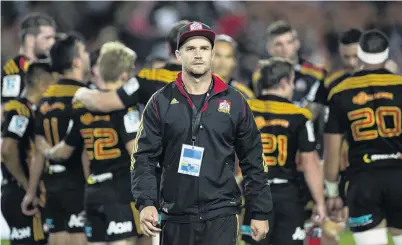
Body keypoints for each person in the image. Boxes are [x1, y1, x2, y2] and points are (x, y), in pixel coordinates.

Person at [131, 21, 271, 245]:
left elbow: (253, 159)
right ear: (178, 55)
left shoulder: (235, 101)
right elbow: (144, 157)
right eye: (191, 49)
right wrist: (146, 202)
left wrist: (260, 210)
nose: (198, 55)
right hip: (175, 214)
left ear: (212, 54)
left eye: (204, 49)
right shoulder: (160, 101)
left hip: (221, 213)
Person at [43, 41, 141, 245]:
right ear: (124, 74)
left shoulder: (82, 107)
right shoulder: (126, 108)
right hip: (120, 193)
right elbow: (136, 152)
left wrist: (46, 152)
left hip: (93, 192)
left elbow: (65, 150)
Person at [324, 29, 402, 245]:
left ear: (360, 52)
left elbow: (332, 149)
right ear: (387, 53)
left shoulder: (340, 90)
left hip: (363, 179)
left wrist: (332, 191)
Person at [243, 58, 325, 245]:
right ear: (284, 82)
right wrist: (319, 202)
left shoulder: (244, 111)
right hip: (288, 194)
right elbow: (310, 162)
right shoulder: (299, 116)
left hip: (253, 193)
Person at [21, 34, 90, 245]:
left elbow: (38, 151)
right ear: (77, 61)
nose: (88, 56)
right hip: (79, 184)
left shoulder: (44, 100)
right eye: (85, 52)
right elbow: (88, 147)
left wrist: (31, 192)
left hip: (52, 185)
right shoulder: (85, 96)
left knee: (57, 238)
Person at [71, 20, 190, 112]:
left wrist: (82, 93)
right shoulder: (207, 81)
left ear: (168, 47)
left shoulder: (146, 77)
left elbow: (103, 103)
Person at [1, 61, 54, 245]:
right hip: (20, 193)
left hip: (19, 192)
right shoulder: (20, 110)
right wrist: (27, 186)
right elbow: (7, 149)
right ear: (43, 84)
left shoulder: (32, 110)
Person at [1, 13, 56, 104]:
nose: (52, 43)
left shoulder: (48, 66)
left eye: (53, 38)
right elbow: (8, 107)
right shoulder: (14, 70)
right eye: (47, 38)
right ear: (30, 40)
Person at [212, 34, 255, 99]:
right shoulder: (193, 90)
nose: (222, 62)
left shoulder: (244, 95)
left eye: (228, 57)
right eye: (217, 55)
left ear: (234, 61)